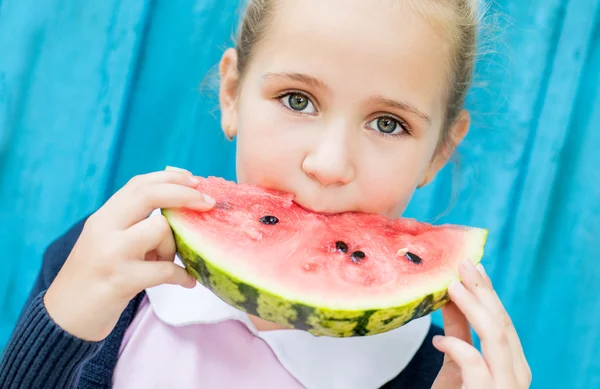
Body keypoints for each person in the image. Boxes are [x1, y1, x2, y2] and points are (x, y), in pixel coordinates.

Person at [0, 0, 532, 388]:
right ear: (232, 94)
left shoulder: (434, 375)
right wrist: (62, 325)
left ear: (439, 152)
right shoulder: (107, 266)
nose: (328, 164)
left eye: (388, 124)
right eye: (297, 99)